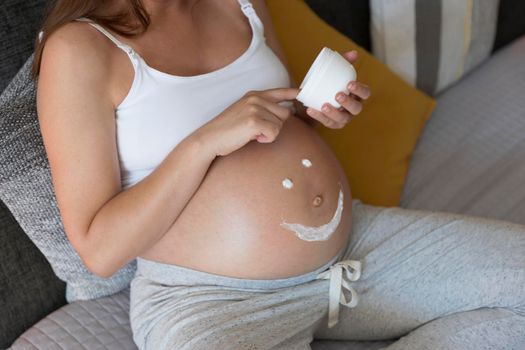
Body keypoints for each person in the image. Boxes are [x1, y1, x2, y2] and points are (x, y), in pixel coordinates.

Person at [34, 0, 525, 349]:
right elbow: (99, 250)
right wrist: (204, 142)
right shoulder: (81, 49)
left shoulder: (241, 2)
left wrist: (318, 112)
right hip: (212, 301)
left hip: (352, 251)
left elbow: (278, 124)